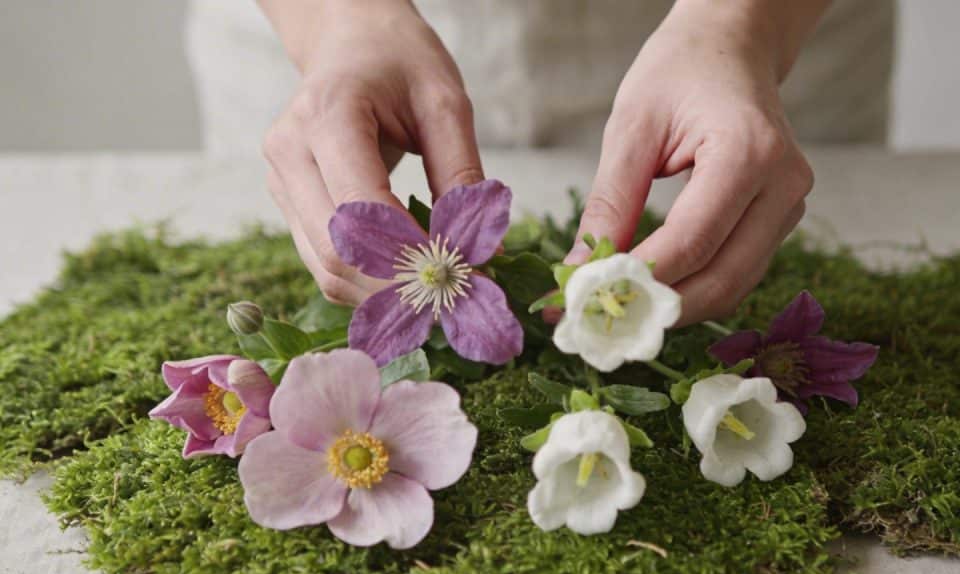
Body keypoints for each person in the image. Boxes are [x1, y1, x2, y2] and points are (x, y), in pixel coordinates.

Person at [187, 0, 894, 325]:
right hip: (327, 40)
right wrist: (336, 19)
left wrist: (743, 26)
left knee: (760, 242)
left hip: (756, 42)